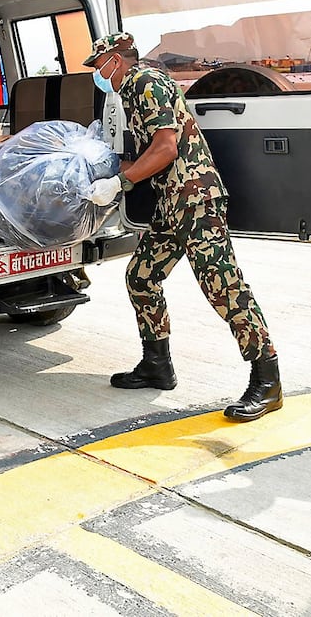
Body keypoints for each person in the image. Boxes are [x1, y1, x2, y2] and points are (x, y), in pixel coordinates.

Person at [83, 33, 282, 422]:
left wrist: (119, 183)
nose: (97, 74)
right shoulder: (129, 92)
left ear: (116, 61)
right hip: (172, 203)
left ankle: (267, 379)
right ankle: (157, 364)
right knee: (141, 276)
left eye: (99, 65)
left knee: (224, 288)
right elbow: (147, 155)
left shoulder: (146, 82)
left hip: (196, 200)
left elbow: (166, 148)